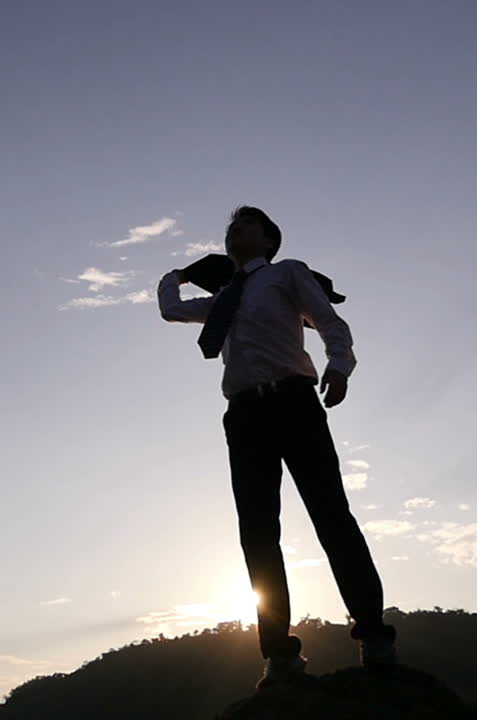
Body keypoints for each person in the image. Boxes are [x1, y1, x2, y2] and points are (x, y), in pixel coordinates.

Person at [157, 205, 398, 691]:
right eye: (230, 228)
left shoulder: (287, 274)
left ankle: (373, 635)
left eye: (245, 225)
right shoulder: (223, 296)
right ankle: (280, 655)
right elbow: (170, 308)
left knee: (331, 515)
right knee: (258, 533)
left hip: (293, 401)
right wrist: (179, 274)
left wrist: (339, 366)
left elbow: (331, 323)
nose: (234, 232)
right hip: (244, 415)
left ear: (268, 239)